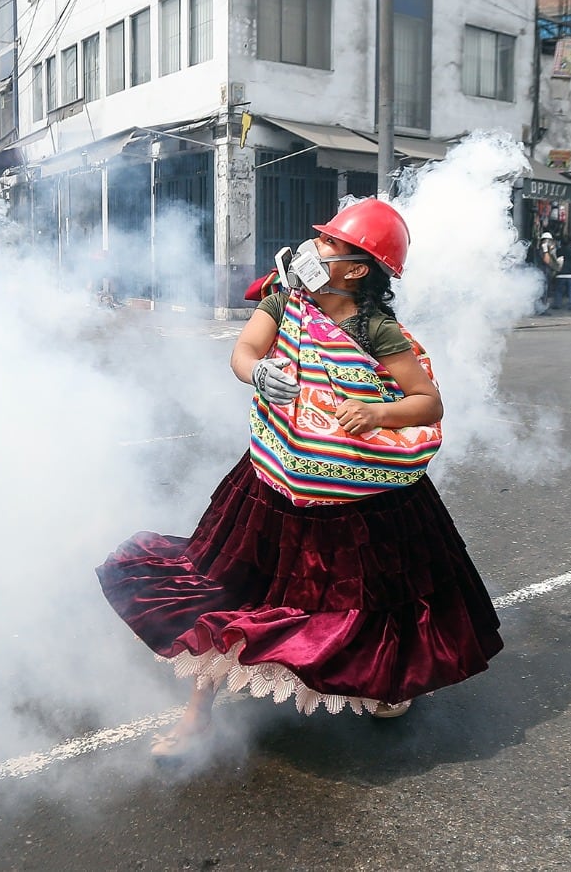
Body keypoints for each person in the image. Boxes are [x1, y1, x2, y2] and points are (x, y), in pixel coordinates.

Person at [96, 199, 503, 759]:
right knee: (230, 586)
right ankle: (196, 718)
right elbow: (245, 351)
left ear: (357, 270)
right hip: (275, 472)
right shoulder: (287, 296)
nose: (316, 248)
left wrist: (377, 413)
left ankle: (385, 687)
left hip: (358, 490)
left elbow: (427, 404)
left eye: (332, 244)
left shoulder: (377, 328)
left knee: (377, 603)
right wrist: (257, 373)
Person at [553, 236, 571, 310]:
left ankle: (558, 304)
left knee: (559, 290)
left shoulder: (558, 250)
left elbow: (554, 258)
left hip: (560, 274)